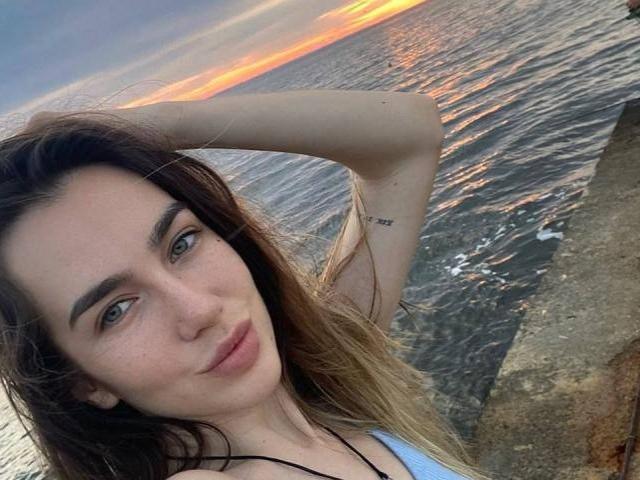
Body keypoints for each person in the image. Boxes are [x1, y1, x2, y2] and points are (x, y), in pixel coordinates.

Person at [0, 90, 488, 480]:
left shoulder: (337, 377)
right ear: (82, 382)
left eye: (181, 243)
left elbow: (410, 136)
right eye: (116, 310)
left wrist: (155, 125)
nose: (199, 310)